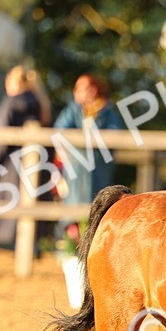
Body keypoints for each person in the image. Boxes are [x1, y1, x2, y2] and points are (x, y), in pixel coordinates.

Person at [0, 66, 52, 247]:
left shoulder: (12, 103)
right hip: (39, 167)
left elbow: (0, 139)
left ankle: (11, 246)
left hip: (14, 167)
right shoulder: (41, 104)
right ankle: (33, 246)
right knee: (33, 209)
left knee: (13, 211)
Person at [53, 74, 124, 238]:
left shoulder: (106, 111)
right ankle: (70, 240)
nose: (76, 92)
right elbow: (60, 129)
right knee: (72, 206)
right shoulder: (74, 110)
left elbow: (114, 135)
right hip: (76, 168)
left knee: (97, 205)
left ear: (93, 90)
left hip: (98, 167)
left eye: (81, 88)